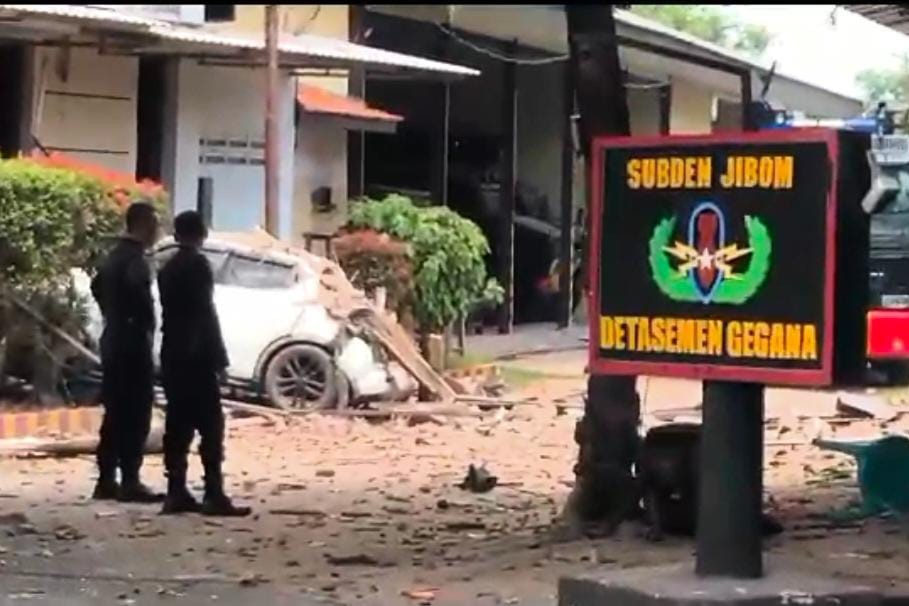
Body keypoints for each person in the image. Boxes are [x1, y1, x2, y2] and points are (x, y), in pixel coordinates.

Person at [158, 211, 250, 517]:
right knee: (211, 425)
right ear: (202, 233)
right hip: (196, 357)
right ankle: (213, 492)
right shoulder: (198, 265)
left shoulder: (167, 268)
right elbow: (205, 313)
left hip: (172, 353)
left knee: (178, 423)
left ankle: (176, 490)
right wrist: (218, 359)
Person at [90, 202, 163, 503]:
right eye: (154, 224)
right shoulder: (136, 260)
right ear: (143, 225)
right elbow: (140, 298)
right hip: (132, 344)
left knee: (115, 412)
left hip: (113, 338)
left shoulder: (112, 257)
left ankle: (106, 479)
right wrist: (144, 322)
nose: (157, 231)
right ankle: (131, 479)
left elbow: (97, 287)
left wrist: (112, 313)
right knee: (135, 412)